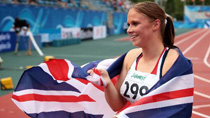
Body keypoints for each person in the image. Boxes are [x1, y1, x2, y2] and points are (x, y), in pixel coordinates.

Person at [88, 1, 193, 116]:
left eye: (135, 24)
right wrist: (107, 83)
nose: (129, 30)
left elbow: (175, 110)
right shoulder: (131, 57)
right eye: (128, 24)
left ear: (156, 25)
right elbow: (117, 105)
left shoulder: (173, 61)